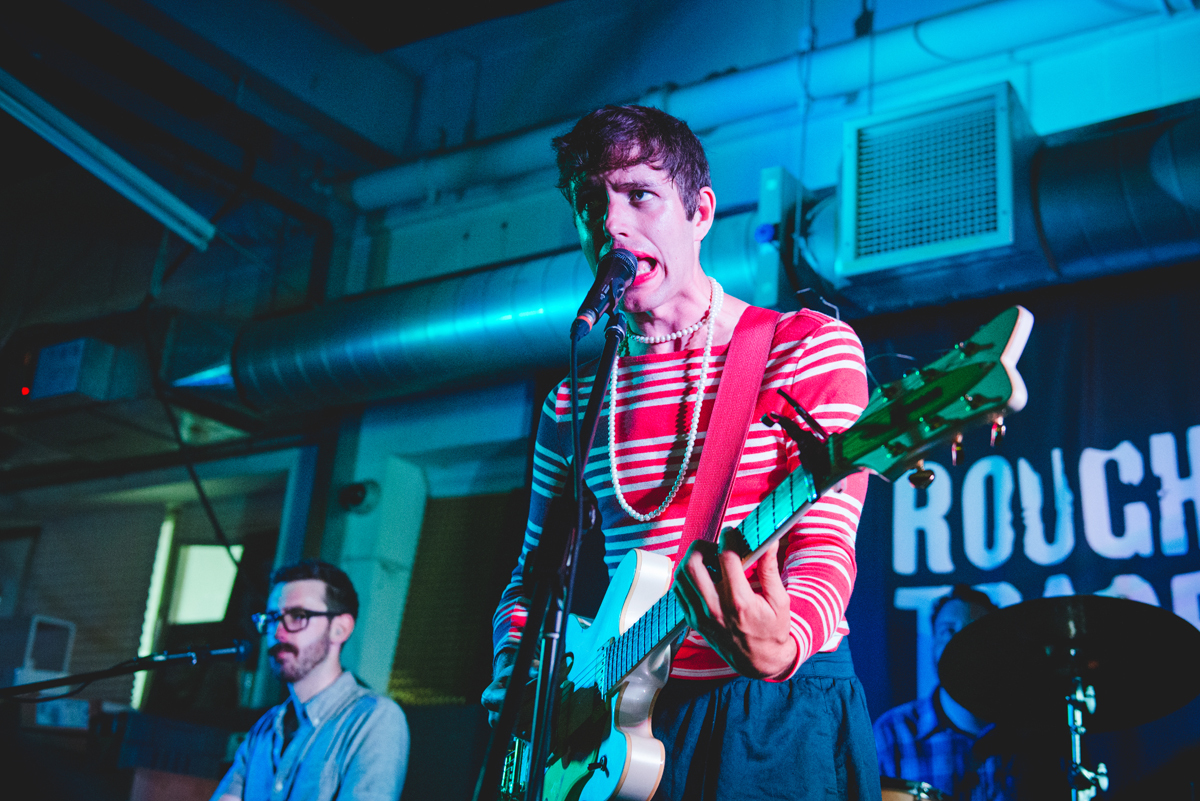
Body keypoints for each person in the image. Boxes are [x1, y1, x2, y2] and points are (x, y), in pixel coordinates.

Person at [483, 105, 878, 800]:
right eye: (589, 202)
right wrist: (519, 676)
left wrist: (782, 645)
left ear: (700, 212)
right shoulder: (572, 404)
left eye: (639, 194)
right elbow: (532, 578)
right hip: (615, 725)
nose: (611, 223)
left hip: (772, 709)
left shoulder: (803, 347)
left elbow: (825, 545)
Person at [212, 559, 408, 801]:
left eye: (298, 615)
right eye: (272, 618)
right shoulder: (266, 728)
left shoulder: (374, 719)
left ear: (340, 629)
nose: (277, 632)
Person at [873, 585, 1016, 800]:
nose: (960, 642)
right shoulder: (893, 732)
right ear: (933, 643)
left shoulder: (1032, 731)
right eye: (947, 630)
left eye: (974, 630)